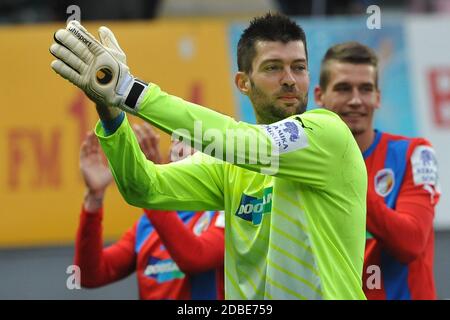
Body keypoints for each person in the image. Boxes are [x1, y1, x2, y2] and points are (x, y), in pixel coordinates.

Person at [50, 13, 367, 299]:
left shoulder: (326, 133)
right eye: (273, 67)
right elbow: (143, 187)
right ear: (243, 82)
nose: (289, 79)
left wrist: (129, 91)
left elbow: (245, 144)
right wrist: (110, 110)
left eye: (299, 67)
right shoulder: (233, 166)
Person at [314, 41, 441, 299]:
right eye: (343, 88)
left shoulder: (413, 154)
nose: (356, 100)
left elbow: (412, 241)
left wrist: (342, 179)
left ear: (378, 97)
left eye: (366, 89)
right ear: (319, 96)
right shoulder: (307, 164)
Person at [76, 123, 225, 300]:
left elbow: (196, 258)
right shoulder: (148, 223)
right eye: (175, 141)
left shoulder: (228, 213)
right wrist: (94, 198)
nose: (178, 149)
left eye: (191, 141)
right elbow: (89, 275)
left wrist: (150, 188)